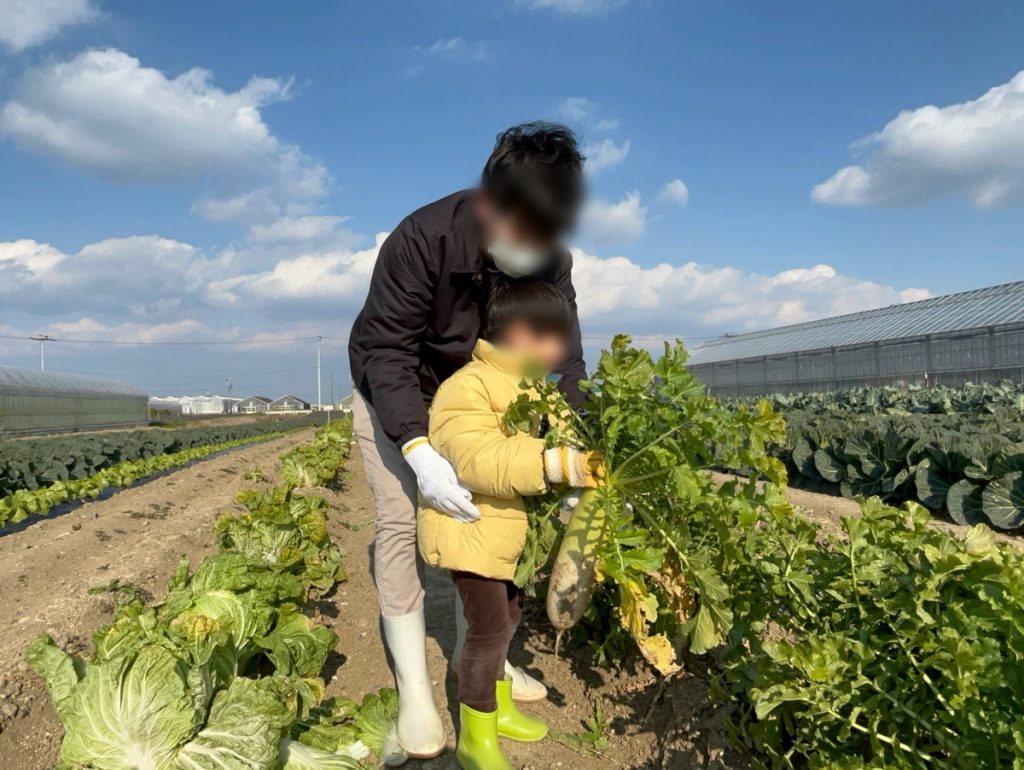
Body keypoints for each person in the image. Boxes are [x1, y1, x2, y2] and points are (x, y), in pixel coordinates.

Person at [348, 122, 587, 758]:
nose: (532, 251)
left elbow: (564, 360)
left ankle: (480, 664)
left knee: (488, 521)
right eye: (521, 234)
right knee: (400, 523)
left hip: (489, 403)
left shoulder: (554, 262)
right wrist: (418, 449)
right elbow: (387, 351)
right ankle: (415, 695)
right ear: (489, 203)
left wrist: (573, 450)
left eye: (544, 238)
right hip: (399, 392)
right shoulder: (421, 239)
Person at [418, 279, 605, 770]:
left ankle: (498, 710)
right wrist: (556, 464)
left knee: (511, 618)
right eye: (555, 338)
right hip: (472, 531)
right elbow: (479, 458)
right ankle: (475, 738)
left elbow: (568, 435)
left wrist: (591, 461)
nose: (561, 351)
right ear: (521, 333)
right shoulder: (467, 387)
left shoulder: (534, 387)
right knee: (486, 632)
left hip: (508, 539)